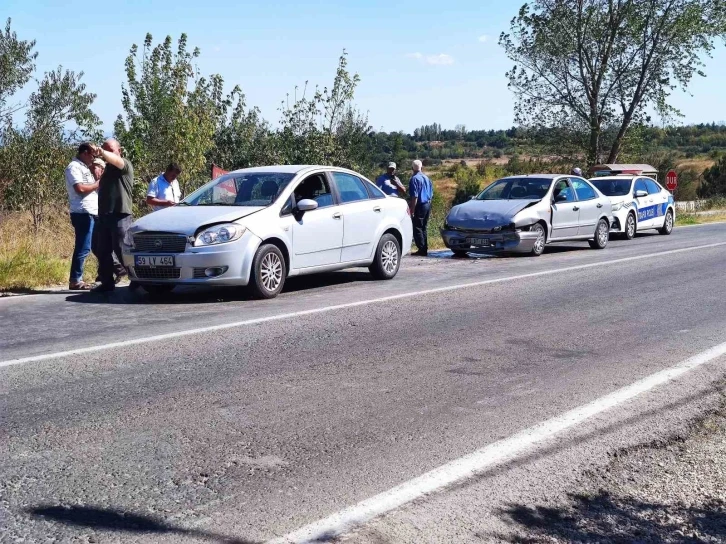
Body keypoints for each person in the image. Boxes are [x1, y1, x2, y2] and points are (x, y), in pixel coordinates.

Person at [92, 138, 134, 293]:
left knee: (122, 251)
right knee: (102, 250)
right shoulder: (107, 168)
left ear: (119, 150)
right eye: (104, 149)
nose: (106, 152)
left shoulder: (124, 165)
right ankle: (107, 282)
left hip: (120, 215)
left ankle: (136, 280)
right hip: (105, 215)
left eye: (110, 149)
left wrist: (102, 152)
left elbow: (116, 161)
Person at [64, 142, 98, 290]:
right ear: (85, 153)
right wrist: (98, 183)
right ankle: (75, 279)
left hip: (92, 211)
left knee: (95, 245)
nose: (93, 158)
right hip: (82, 212)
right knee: (83, 247)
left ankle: (103, 274)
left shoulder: (85, 167)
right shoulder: (74, 167)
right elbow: (80, 189)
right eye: (92, 155)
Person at [90, 158, 128, 283]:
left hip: (112, 215)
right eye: (92, 167)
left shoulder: (109, 179)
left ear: (102, 168)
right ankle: (108, 278)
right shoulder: (93, 180)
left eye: (96, 167)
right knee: (98, 248)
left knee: (119, 247)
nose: (93, 170)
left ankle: (129, 274)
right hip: (100, 215)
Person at [408, 159, 434, 256]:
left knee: (417, 227)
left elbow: (414, 196)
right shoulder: (427, 178)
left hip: (420, 205)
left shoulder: (414, 179)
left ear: (412, 168)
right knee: (423, 227)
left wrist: (412, 210)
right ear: (421, 167)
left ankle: (422, 249)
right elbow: (431, 194)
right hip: (427, 204)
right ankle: (424, 248)